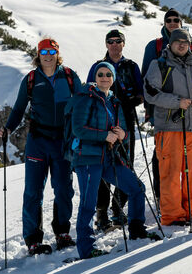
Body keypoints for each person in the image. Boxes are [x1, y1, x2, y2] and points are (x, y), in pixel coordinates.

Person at [68, 62, 160, 260]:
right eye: (100, 74)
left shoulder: (114, 101)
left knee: (137, 188)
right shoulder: (85, 98)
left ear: (113, 78)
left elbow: (125, 133)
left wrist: (122, 134)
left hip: (109, 158)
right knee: (88, 203)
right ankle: (86, 249)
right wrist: (105, 136)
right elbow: (78, 129)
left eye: (108, 74)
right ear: (94, 76)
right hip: (88, 158)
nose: (104, 77)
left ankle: (136, 228)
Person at [0, 38, 80, 255]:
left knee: (63, 188)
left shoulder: (70, 77)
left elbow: (82, 103)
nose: (47, 55)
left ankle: (62, 232)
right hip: (38, 141)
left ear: (57, 53)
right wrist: (8, 128)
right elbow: (18, 109)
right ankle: (33, 239)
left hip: (62, 140)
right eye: (43, 51)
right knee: (33, 191)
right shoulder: (32, 79)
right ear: (38, 54)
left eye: (51, 51)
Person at [143, 28, 192, 226]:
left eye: (185, 42)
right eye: (178, 41)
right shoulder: (159, 65)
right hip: (169, 128)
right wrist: (177, 101)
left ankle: (190, 211)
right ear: (171, 44)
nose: (181, 44)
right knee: (171, 173)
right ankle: (172, 215)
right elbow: (150, 92)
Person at [140, 9, 192, 200]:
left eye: (177, 19)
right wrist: (150, 109)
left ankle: (183, 199)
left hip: (189, 113)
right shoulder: (154, 46)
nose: (173, 22)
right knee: (163, 156)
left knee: (188, 158)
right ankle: (164, 198)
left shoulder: (190, 46)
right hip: (163, 111)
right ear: (164, 23)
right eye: (169, 20)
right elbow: (147, 80)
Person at [85, 29, 144, 231]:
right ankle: (102, 214)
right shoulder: (98, 67)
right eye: (111, 41)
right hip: (102, 124)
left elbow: (140, 91)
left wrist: (134, 99)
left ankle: (119, 208)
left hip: (125, 122)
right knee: (103, 167)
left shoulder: (131, 66)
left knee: (125, 164)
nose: (114, 44)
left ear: (123, 44)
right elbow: (88, 92)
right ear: (106, 44)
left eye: (118, 41)